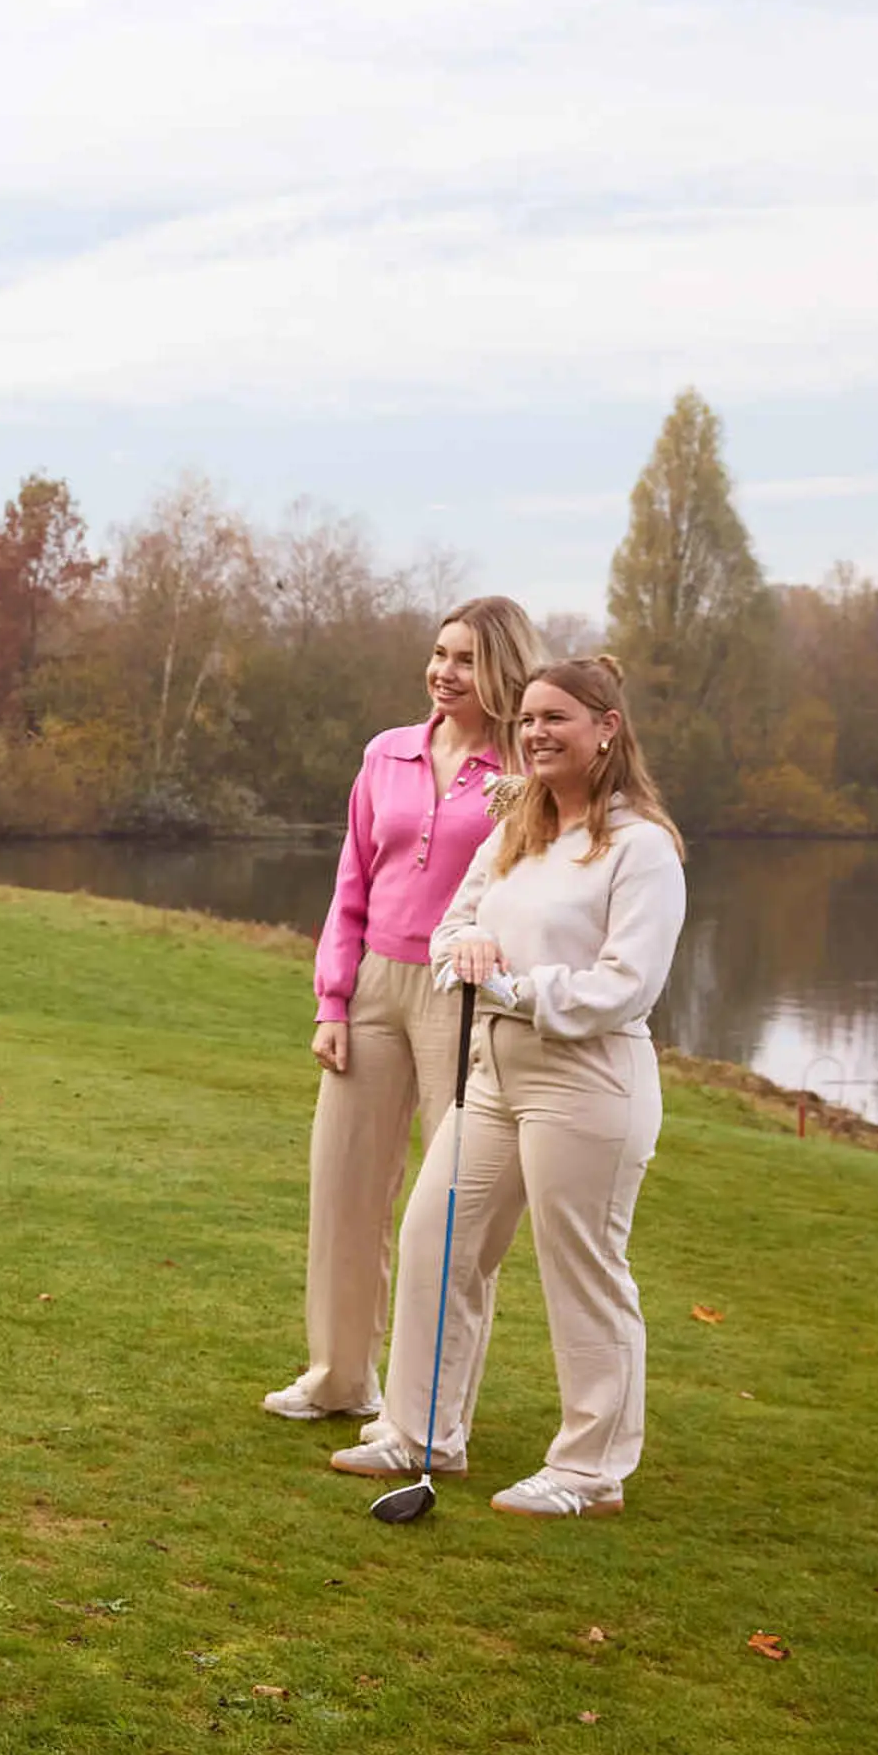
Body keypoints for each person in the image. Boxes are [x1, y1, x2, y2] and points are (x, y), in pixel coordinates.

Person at [331, 655, 687, 1518]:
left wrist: (517, 989)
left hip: (589, 1082)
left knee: (584, 1270)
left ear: (607, 728)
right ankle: (420, 1435)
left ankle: (589, 1472)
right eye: (528, 720)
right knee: (435, 1239)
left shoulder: (640, 848)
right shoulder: (519, 825)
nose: (536, 734)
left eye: (556, 719)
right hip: (493, 1074)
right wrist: (471, 952)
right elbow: (455, 922)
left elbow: (627, 985)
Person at [267, 596, 546, 1423]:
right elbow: (352, 880)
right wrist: (333, 1000)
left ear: (501, 670)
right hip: (375, 987)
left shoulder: (519, 777)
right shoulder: (385, 754)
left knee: (455, 1207)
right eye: (438, 654)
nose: (443, 673)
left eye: (465, 660)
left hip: (462, 999)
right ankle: (339, 1379)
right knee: (345, 1188)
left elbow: (523, 891)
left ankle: (432, 1411)